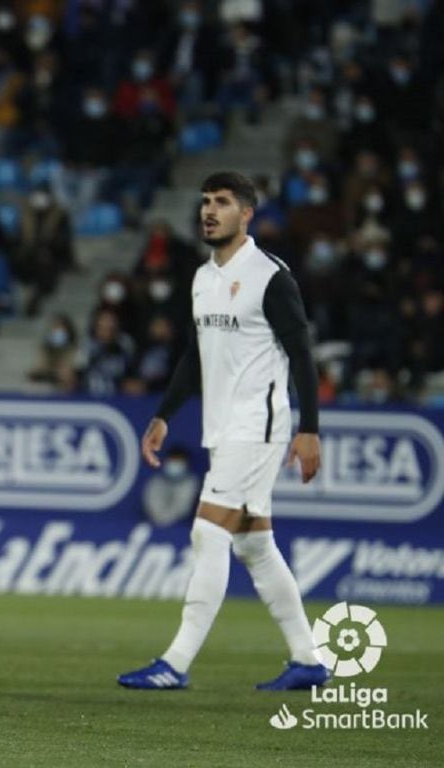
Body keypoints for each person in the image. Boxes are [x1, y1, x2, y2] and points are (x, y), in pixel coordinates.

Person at [118, 171, 329, 691]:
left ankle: (176, 662)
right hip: (226, 427)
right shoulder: (202, 277)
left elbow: (302, 352)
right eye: (206, 202)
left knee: (207, 531)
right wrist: (164, 413)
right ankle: (308, 658)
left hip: (259, 423)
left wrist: (310, 429)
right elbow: (197, 355)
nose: (209, 211)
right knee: (255, 546)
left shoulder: (270, 277)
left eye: (223, 203)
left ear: (247, 214)